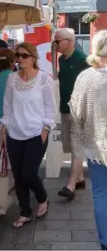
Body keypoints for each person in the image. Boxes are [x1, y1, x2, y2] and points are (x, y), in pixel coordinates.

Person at [0, 42, 56, 228]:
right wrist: (4, 126)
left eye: (24, 55)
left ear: (33, 58)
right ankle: (24, 212)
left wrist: (46, 129)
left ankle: (43, 197)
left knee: (28, 173)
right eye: (18, 55)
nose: (20, 59)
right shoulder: (12, 78)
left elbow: (50, 107)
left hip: (36, 133)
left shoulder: (43, 79)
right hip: (15, 133)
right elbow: (7, 105)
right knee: (18, 175)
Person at [69, 30, 107, 250]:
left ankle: (105, 242)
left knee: (101, 194)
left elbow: (76, 111)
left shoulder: (85, 77)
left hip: (96, 146)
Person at [53, 28, 90, 200]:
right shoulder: (61, 59)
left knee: (76, 147)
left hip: (78, 111)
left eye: (58, 41)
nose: (56, 44)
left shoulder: (83, 60)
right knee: (69, 146)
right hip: (65, 109)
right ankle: (80, 178)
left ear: (69, 41)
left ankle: (71, 185)